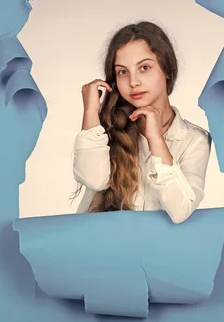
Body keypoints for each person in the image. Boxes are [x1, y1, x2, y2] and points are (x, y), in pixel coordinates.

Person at [71, 21, 212, 224]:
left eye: (144, 68)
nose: (133, 82)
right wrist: (91, 111)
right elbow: (93, 178)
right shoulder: (106, 128)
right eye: (122, 72)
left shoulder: (194, 140)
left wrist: (156, 140)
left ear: (167, 70)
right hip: (99, 248)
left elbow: (180, 211)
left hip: (155, 252)